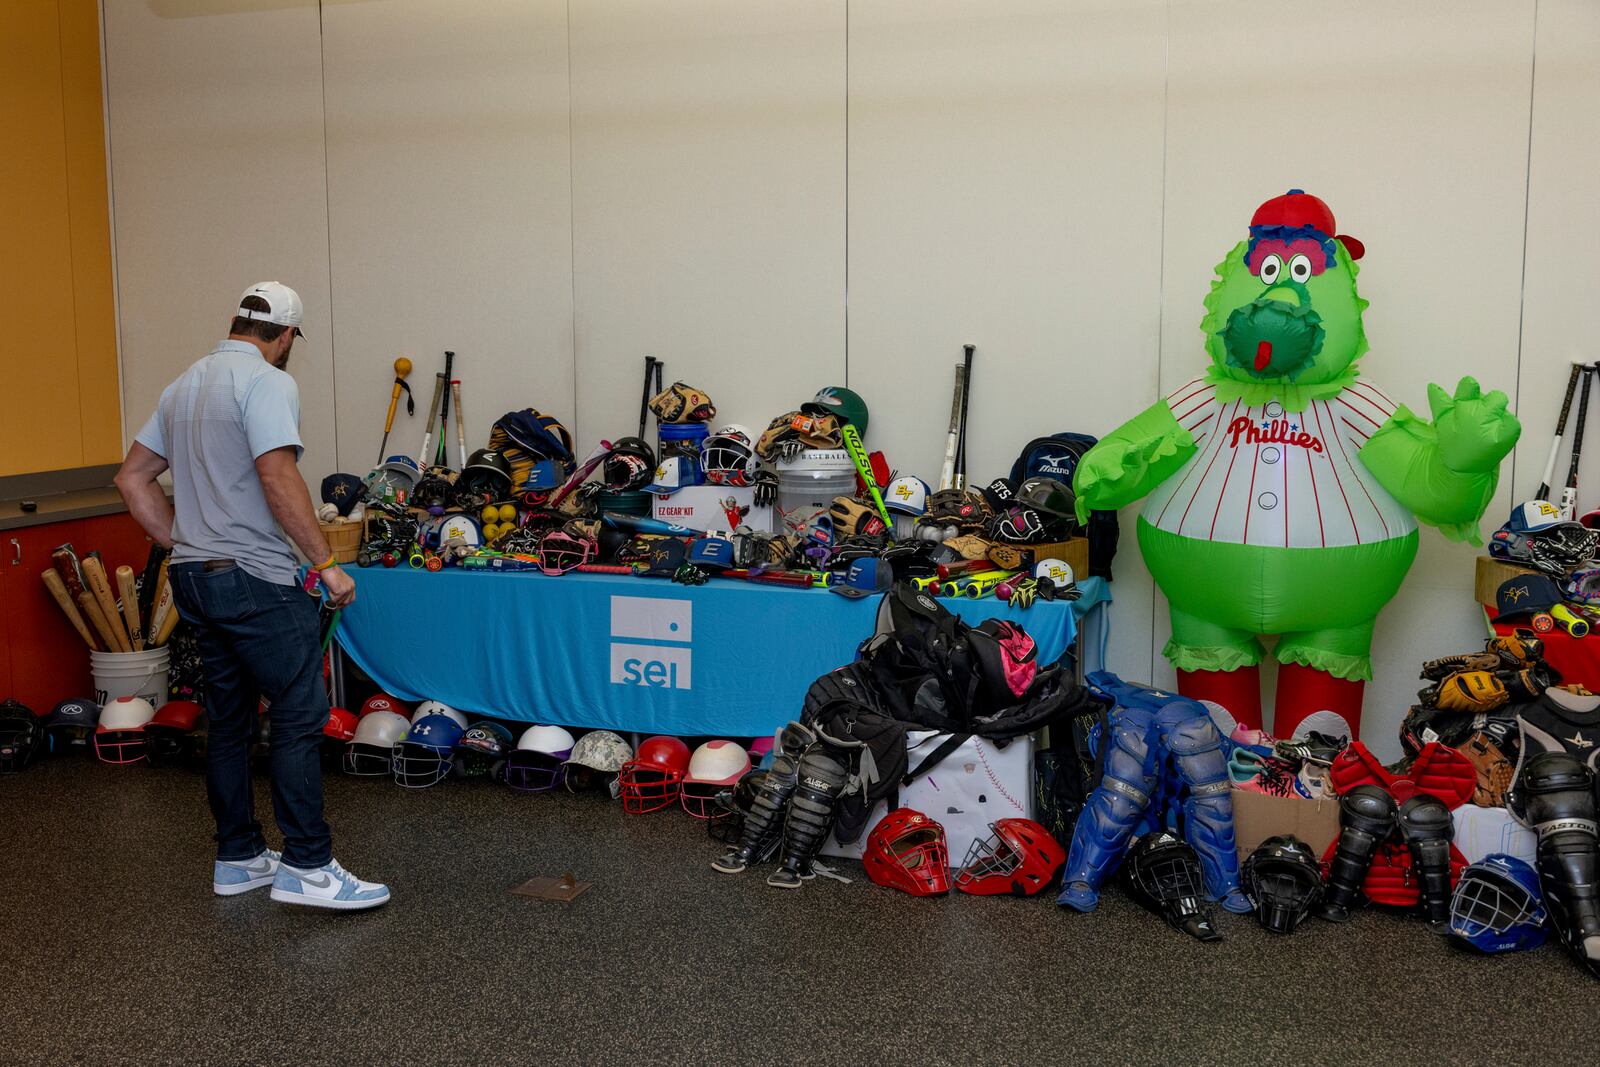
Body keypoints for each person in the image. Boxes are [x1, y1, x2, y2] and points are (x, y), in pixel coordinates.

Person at [116, 282, 389, 911]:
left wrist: (183, 540)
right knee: (298, 711)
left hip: (193, 580)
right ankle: (309, 868)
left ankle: (238, 857)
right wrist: (326, 564)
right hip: (253, 579)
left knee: (231, 722)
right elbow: (277, 474)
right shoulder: (269, 382)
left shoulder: (183, 385)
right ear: (286, 335)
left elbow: (131, 478)